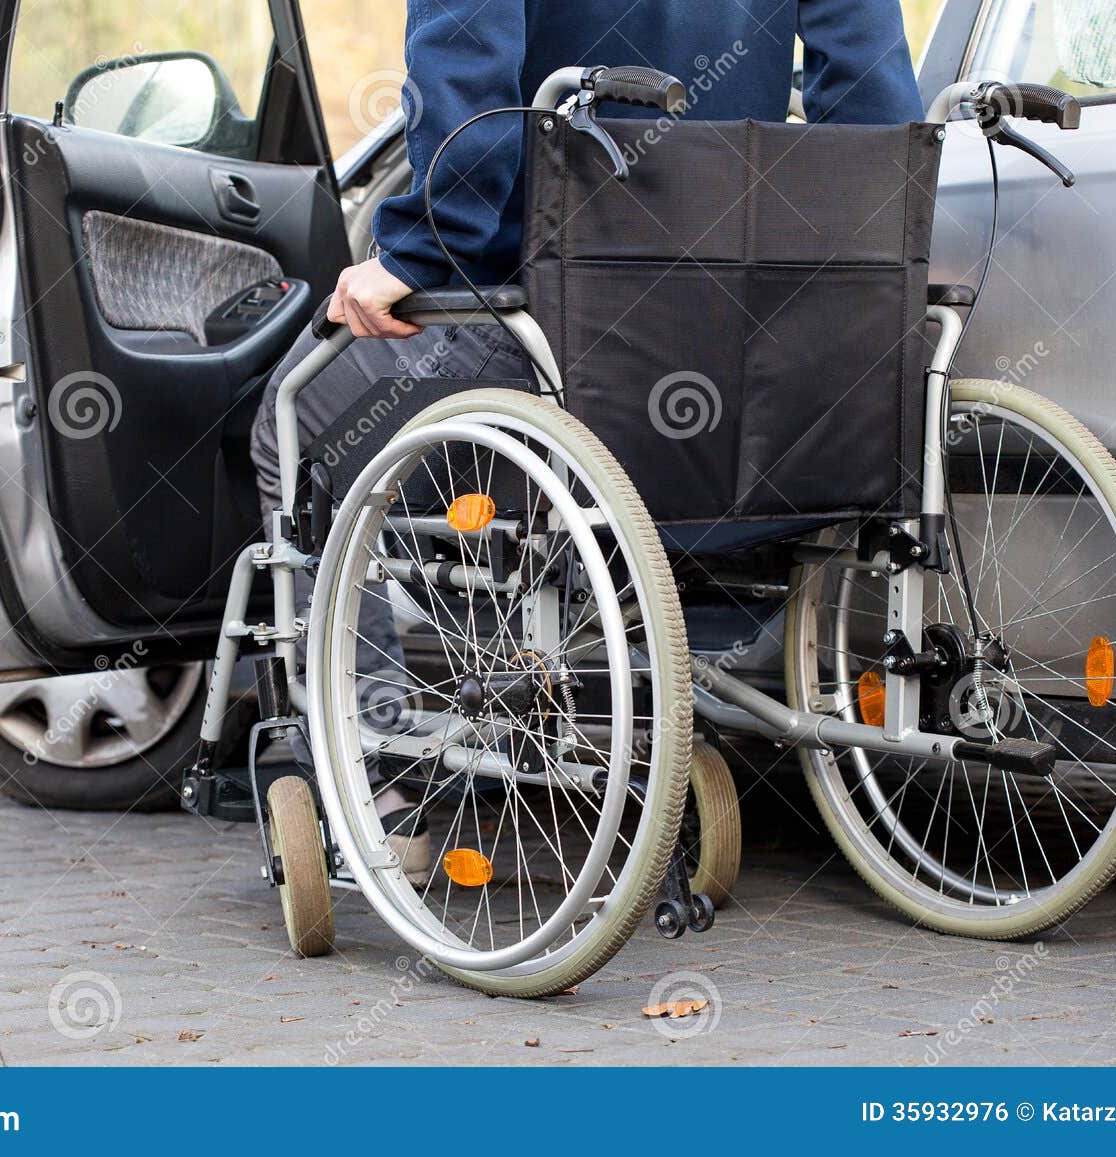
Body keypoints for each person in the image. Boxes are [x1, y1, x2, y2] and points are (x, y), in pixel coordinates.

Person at [249, 0, 924, 876]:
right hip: (737, 343)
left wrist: (421, 252)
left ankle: (378, 780)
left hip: (557, 328)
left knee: (292, 422)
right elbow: (873, 98)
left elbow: (466, 69)